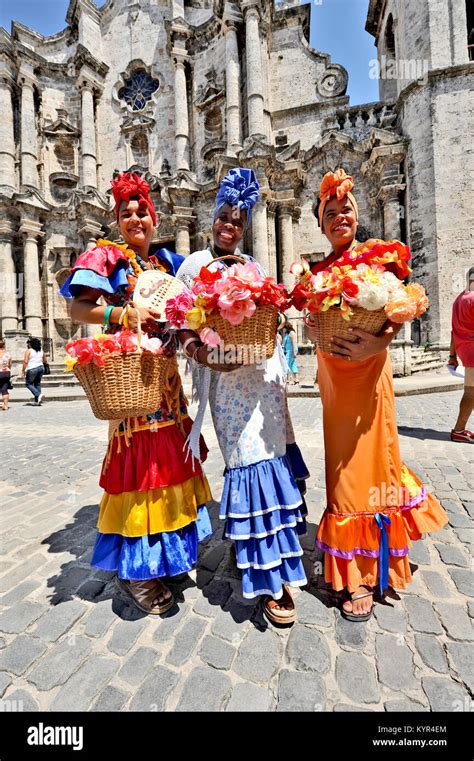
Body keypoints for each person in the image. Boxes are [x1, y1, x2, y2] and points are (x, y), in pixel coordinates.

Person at [60, 172, 212, 615]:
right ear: (117, 220)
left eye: (142, 211)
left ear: (155, 215)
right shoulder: (107, 257)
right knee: (143, 471)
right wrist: (123, 312)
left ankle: (165, 560)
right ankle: (137, 573)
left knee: (170, 465)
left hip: (167, 386)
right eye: (126, 213)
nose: (135, 219)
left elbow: (181, 317)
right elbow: (77, 307)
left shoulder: (165, 265)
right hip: (131, 387)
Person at [311, 169, 448, 621]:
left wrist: (382, 341)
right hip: (334, 381)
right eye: (329, 213)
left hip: (368, 377)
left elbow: (402, 304)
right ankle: (351, 564)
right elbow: (318, 322)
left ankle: (366, 574)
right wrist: (313, 326)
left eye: (344, 209)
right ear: (320, 222)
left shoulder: (376, 257)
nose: (338, 217)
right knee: (339, 471)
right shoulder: (318, 273)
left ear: (358, 213)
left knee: (368, 469)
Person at [176, 168, 309, 625]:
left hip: (265, 380)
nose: (229, 224)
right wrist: (202, 354)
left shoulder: (253, 265)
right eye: (223, 216)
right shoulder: (192, 266)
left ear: (245, 224)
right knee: (248, 462)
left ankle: (273, 561)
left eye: (238, 218)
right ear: (212, 219)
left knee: (274, 459)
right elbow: (181, 325)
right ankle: (271, 577)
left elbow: (267, 316)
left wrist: (279, 320)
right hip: (227, 385)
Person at [448, 266, 474, 443]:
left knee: (471, 391)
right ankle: (458, 430)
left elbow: (453, 332)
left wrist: (452, 356)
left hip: (465, 350)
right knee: (470, 392)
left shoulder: (459, 299)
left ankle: (459, 429)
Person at [22, 338, 45, 405]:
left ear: (31, 344)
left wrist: (23, 371)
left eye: (28, 343)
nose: (27, 344)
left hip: (32, 368)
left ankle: (38, 394)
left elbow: (25, 361)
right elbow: (45, 360)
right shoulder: (41, 350)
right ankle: (37, 400)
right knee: (37, 383)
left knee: (28, 383)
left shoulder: (28, 351)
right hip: (41, 367)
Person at [280, 318, 300, 385]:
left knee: (287, 364)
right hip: (287, 350)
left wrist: (294, 352)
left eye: (283, 328)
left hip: (291, 351)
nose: (282, 329)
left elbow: (294, 343)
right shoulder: (286, 334)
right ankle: (296, 379)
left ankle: (288, 379)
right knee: (293, 365)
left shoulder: (291, 333)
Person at [0, 340, 12, 411]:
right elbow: (10, 363)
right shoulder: (8, 354)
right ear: (4, 345)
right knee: (4, 389)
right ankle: (6, 405)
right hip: (6, 372)